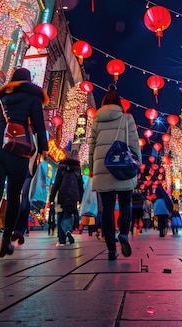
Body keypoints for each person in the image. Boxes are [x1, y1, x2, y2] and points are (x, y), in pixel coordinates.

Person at [0, 67, 49, 270]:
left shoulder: (0, 98)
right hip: (18, 150)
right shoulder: (33, 98)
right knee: (14, 195)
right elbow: (39, 125)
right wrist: (44, 148)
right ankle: (6, 239)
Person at [88, 84, 141, 260]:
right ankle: (124, 232)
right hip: (123, 166)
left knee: (108, 208)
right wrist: (137, 164)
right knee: (126, 204)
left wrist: (91, 168)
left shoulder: (96, 120)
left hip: (102, 167)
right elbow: (134, 144)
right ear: (119, 103)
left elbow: (91, 147)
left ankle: (111, 249)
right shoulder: (127, 119)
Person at [49, 151, 83, 246]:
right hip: (74, 195)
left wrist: (51, 197)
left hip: (62, 194)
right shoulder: (77, 168)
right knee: (69, 213)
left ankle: (62, 239)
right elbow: (80, 184)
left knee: (61, 215)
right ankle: (68, 230)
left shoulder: (61, 167)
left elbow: (57, 183)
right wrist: (81, 198)